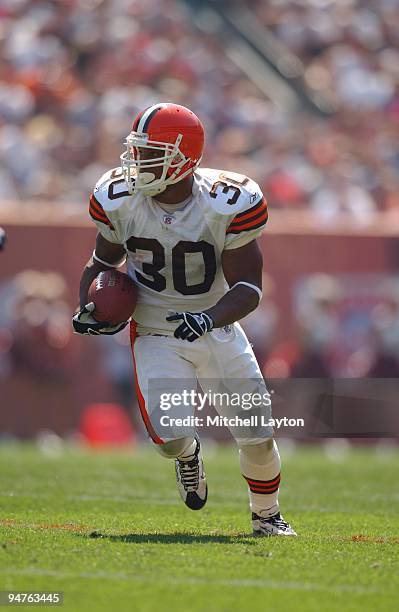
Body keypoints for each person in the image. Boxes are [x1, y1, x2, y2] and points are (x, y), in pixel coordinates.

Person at [72, 103, 296, 537]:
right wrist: (88, 305)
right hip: (155, 330)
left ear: (184, 156)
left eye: (151, 153)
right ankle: (188, 455)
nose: (137, 163)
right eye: (137, 151)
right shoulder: (120, 199)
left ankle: (267, 517)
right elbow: (101, 262)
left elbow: (249, 289)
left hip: (218, 327)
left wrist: (207, 319)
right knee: (171, 437)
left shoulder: (226, 203)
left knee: (257, 432)